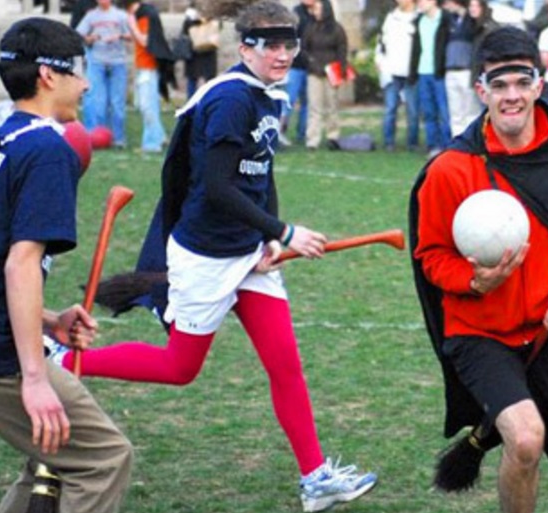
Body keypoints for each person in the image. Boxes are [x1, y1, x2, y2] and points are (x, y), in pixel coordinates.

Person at [48, 1, 377, 512]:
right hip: (205, 253)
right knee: (181, 368)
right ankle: (65, 361)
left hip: (247, 251)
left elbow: (259, 177)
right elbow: (218, 188)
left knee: (285, 363)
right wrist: (284, 230)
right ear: (245, 47)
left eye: (289, 43)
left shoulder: (270, 95)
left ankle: (315, 477)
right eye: (271, 45)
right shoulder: (231, 100)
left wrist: (268, 240)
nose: (283, 53)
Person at [409, 26, 548, 513]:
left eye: (521, 82)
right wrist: (475, 281)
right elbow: (430, 256)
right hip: (480, 330)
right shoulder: (452, 168)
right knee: (527, 439)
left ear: (539, 83)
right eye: (498, 84)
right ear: (481, 91)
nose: (511, 96)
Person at [0, 17, 133, 512]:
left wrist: (49, 320)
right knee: (102, 459)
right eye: (79, 71)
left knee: (53, 454)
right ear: (49, 75)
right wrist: (35, 376)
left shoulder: (1, 140)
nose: (86, 83)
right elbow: (19, 265)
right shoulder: (48, 148)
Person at [76, 0, 131, 148]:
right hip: (97, 61)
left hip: (117, 62)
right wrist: (90, 39)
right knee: (96, 100)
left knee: (117, 102)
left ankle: (119, 139)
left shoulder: (121, 16)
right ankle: (95, 137)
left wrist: (118, 36)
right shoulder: (91, 16)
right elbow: (80, 34)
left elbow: (131, 35)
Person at [125, 0, 172, 153]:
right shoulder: (143, 16)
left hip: (148, 68)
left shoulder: (145, 16)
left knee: (147, 106)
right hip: (142, 67)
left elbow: (146, 41)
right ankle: (160, 136)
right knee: (147, 105)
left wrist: (132, 26)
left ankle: (152, 144)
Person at [302, 0, 349, 150]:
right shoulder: (310, 28)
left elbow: (342, 49)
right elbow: (304, 49)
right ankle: (312, 139)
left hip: (331, 73)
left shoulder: (337, 29)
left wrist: (341, 69)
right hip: (314, 72)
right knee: (314, 107)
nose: (315, 11)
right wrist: (312, 64)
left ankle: (333, 136)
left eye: (318, 8)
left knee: (332, 105)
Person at [410, 0, 452, 158]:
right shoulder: (419, 21)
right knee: (428, 112)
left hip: (439, 73)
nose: (420, 3)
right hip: (423, 72)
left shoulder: (446, 19)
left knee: (443, 110)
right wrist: (412, 73)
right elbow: (416, 49)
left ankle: (447, 145)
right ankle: (433, 145)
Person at [376, 0, 420, 151]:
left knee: (413, 110)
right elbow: (381, 42)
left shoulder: (419, 17)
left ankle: (412, 143)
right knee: (390, 108)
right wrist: (380, 62)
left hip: (411, 72)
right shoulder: (391, 17)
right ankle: (389, 142)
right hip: (392, 71)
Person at [280, 0, 319, 146]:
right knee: (289, 99)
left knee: (308, 102)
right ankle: (280, 131)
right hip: (296, 64)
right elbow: (291, 38)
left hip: (313, 66)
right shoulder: (297, 13)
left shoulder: (320, 11)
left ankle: (302, 133)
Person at [442, 0, 477, 137]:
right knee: (455, 112)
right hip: (451, 70)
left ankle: (472, 140)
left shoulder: (471, 21)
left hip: (466, 69)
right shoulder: (450, 20)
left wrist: (465, 13)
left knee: (470, 111)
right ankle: (457, 142)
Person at [181, 2, 219, 99]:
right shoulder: (212, 13)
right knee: (208, 81)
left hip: (195, 50)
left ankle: (191, 106)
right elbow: (218, 27)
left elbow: (185, 31)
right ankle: (209, 103)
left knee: (194, 80)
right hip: (206, 49)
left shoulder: (190, 13)